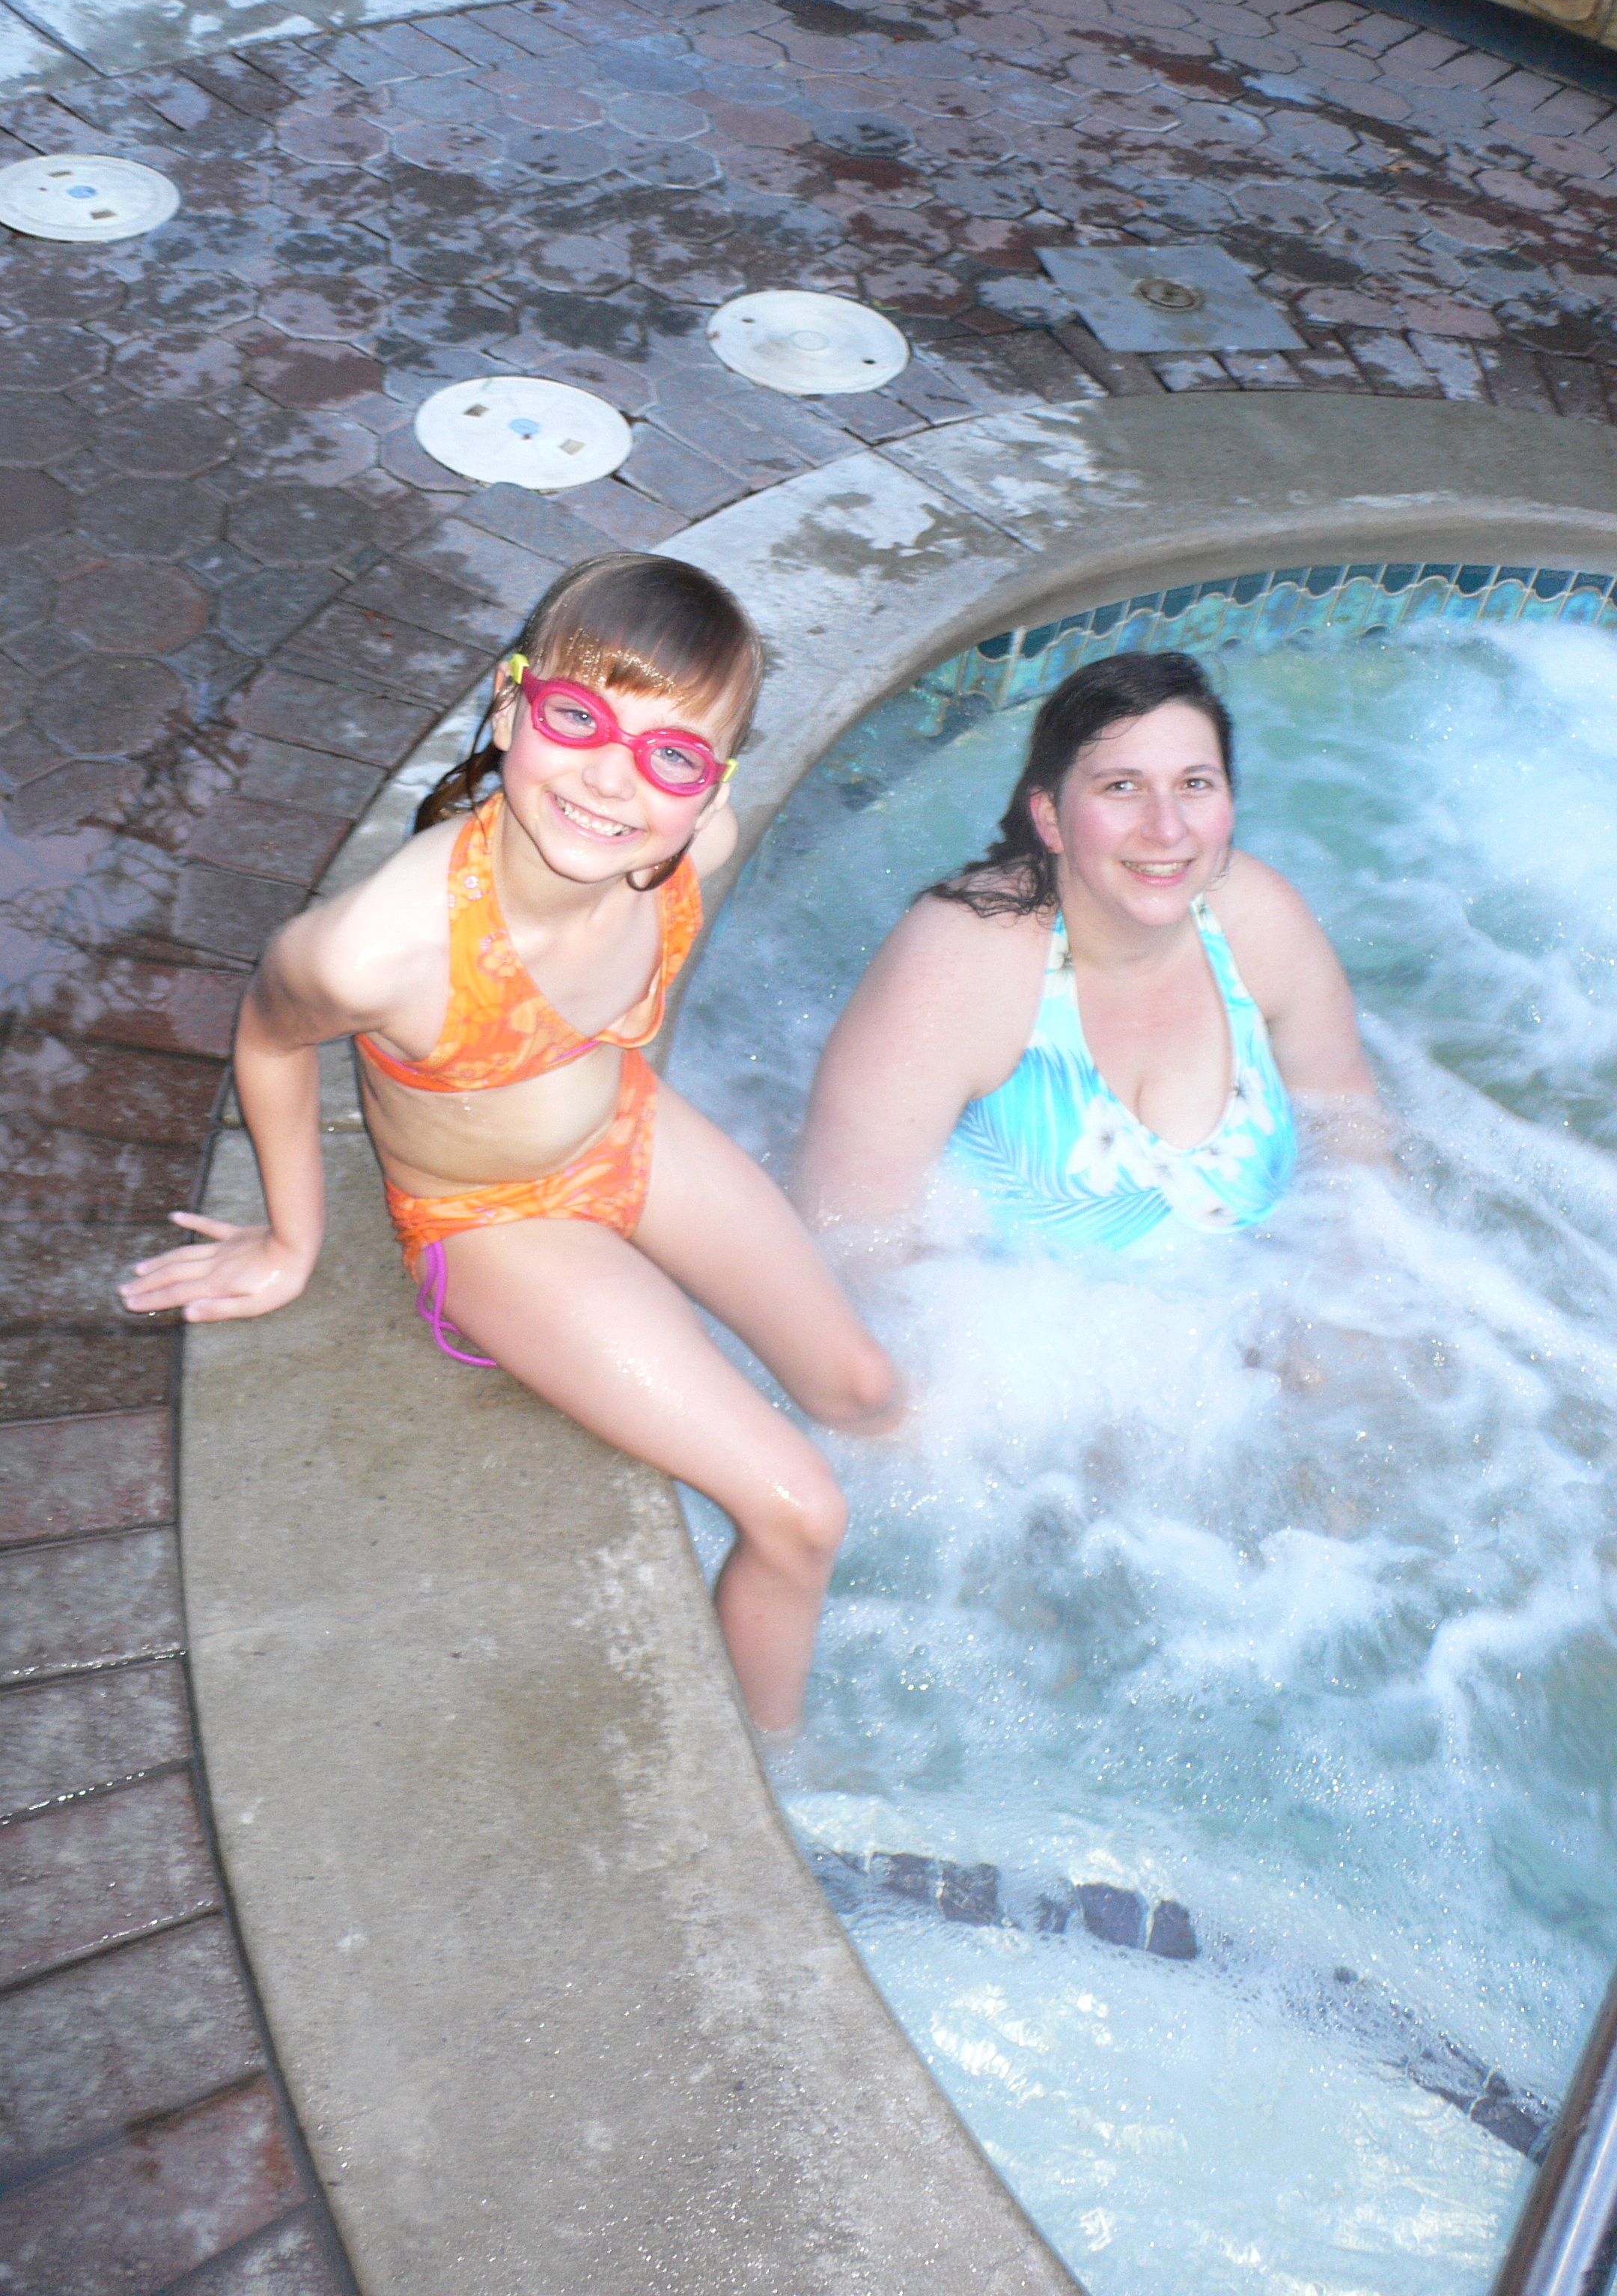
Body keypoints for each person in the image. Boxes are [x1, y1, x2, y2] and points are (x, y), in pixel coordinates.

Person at [121, 552, 901, 1734]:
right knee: (802, 1514)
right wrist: (290, 1243)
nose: (612, 778)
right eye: (578, 718)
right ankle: (787, 1767)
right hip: (495, 1222)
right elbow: (271, 1040)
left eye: (673, 755)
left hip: (626, 1128)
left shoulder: (691, 847)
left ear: (712, 786)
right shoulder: (379, 950)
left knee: (866, 1389)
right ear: (508, 704)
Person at [796, 650, 1380, 1251]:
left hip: (1269, 1297)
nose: (1168, 828)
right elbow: (853, 1248)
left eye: (1194, 784)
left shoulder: (1259, 920)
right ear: (1050, 818)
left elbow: (1352, 1134)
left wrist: (1350, 1291)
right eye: (1122, 787)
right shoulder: (959, 968)